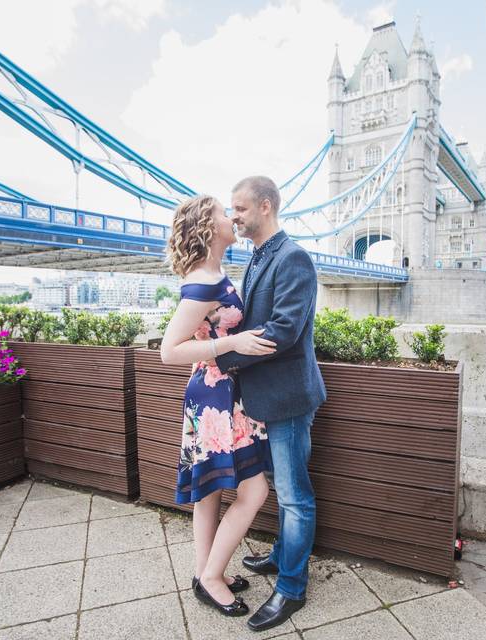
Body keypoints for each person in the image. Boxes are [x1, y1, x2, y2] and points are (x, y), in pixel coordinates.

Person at [215, 176, 327, 632]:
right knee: (282, 485)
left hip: (289, 397)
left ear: (265, 206)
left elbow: (282, 331)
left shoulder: (293, 256)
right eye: (231, 209)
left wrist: (222, 357)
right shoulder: (260, 255)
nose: (233, 216)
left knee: (296, 498)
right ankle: (282, 557)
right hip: (268, 396)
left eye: (239, 208)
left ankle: (292, 588)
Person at [160, 194, 278, 617]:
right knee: (255, 491)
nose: (232, 218)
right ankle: (212, 577)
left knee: (210, 492)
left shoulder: (213, 272)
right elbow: (168, 351)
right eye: (223, 213)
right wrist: (233, 342)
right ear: (209, 229)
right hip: (215, 397)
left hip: (220, 393)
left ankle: (204, 573)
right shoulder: (203, 284)